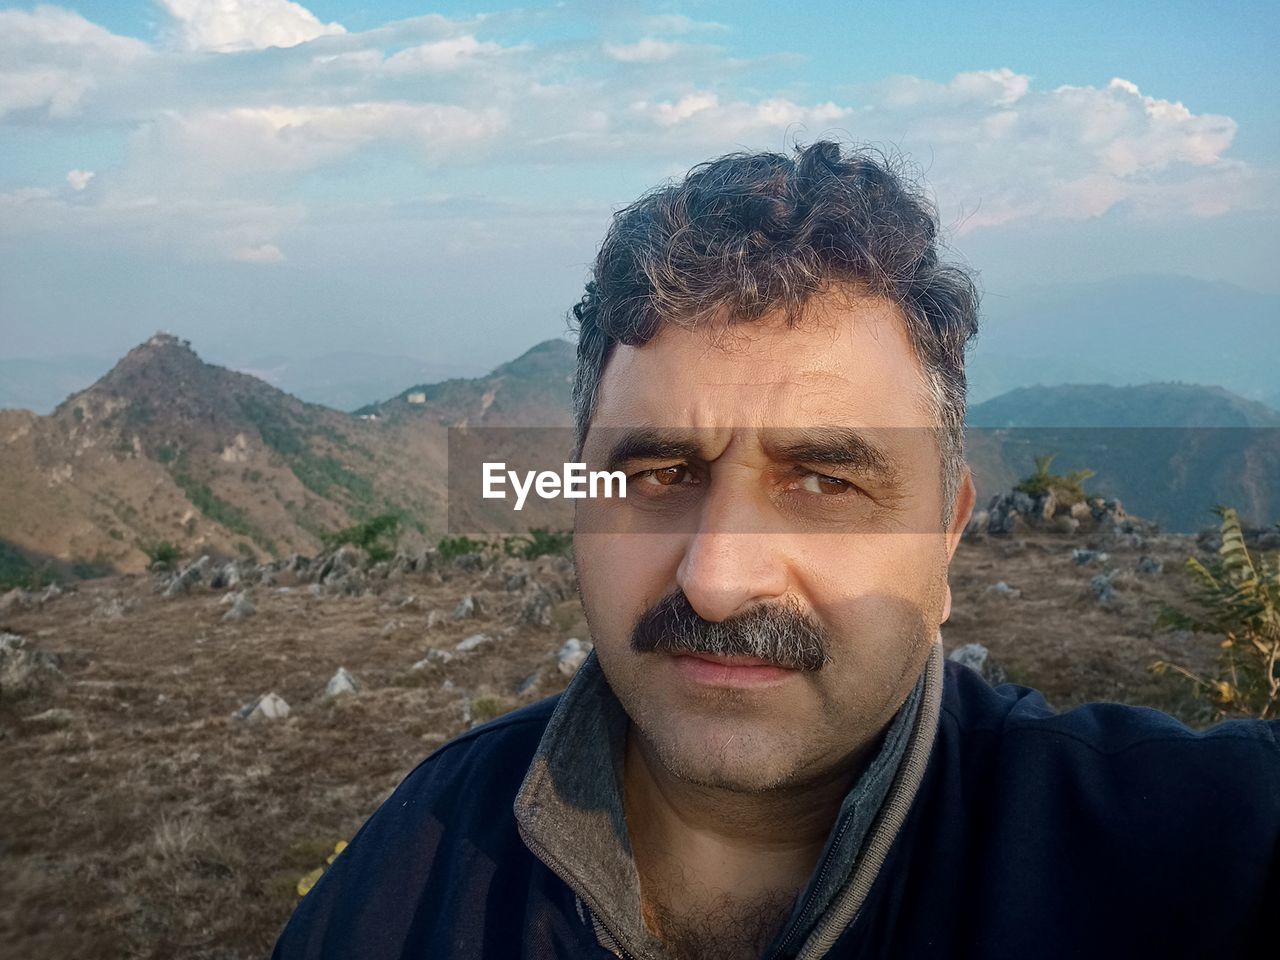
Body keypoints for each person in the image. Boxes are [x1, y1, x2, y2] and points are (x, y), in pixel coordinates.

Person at [273, 141, 1279, 959]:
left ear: (946, 534)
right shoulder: (419, 861)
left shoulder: (1185, 852)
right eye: (658, 476)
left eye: (825, 483)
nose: (717, 579)